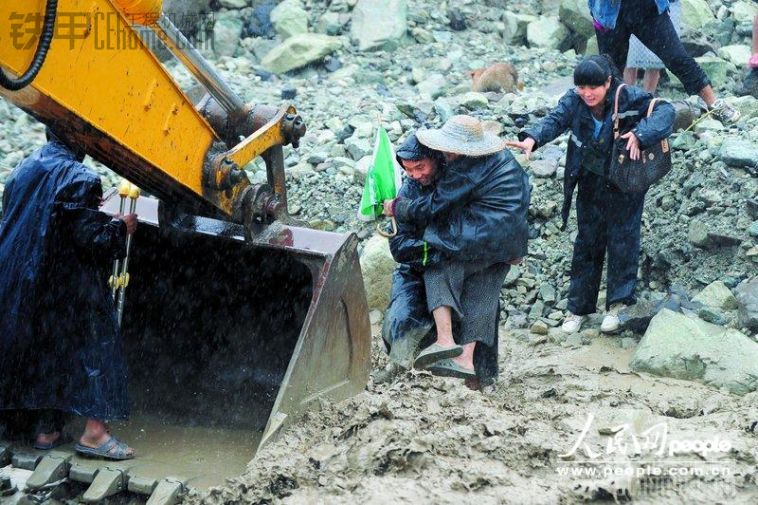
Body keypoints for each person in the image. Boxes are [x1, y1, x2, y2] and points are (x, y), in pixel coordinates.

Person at [506, 55, 675, 334]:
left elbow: (666, 111)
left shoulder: (628, 96)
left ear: (608, 82)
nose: (587, 93)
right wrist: (533, 138)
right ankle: (578, 309)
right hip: (588, 180)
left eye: (593, 87)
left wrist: (640, 134)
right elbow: (556, 119)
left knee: (623, 238)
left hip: (625, 181)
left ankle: (619, 304)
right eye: (581, 87)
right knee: (587, 241)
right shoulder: (574, 101)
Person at [0, 129, 138, 460]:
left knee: (45, 351)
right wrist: (121, 226)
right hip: (65, 284)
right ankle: (95, 435)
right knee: (96, 344)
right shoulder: (81, 177)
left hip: (21, 281)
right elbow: (93, 242)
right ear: (82, 138)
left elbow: (44, 222)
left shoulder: (24, 168)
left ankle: (45, 431)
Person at [383, 116, 530, 384]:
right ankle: (465, 361)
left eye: (420, 167)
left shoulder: (464, 168)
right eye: (408, 170)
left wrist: (397, 208)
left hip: (484, 236)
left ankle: (445, 341)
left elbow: (434, 207)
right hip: (508, 242)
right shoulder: (498, 160)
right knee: (484, 287)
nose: (415, 175)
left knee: (439, 260)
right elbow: (400, 245)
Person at [590, 0, 740, 124]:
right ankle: (606, 117)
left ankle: (714, 104)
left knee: (676, 56)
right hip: (607, 11)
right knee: (610, 68)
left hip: (648, 8)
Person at [622, 0, 682, 94]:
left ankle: (648, 99)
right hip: (638, 6)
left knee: (656, 59)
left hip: (667, 5)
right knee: (630, 56)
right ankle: (628, 98)